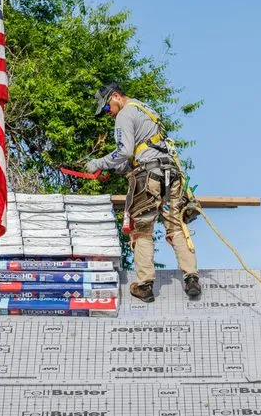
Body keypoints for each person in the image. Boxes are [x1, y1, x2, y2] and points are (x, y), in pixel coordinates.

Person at [85, 82, 201, 302]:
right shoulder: (146, 110)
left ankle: (145, 285)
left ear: (116, 96)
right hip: (171, 174)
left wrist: (99, 163)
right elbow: (141, 151)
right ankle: (192, 278)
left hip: (149, 178)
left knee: (142, 230)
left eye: (108, 108)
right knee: (176, 227)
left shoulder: (124, 115)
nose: (109, 114)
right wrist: (123, 166)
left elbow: (124, 150)